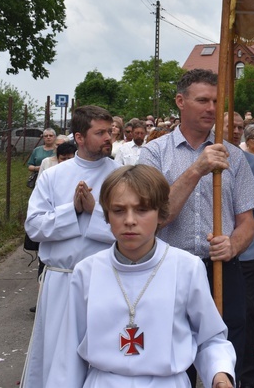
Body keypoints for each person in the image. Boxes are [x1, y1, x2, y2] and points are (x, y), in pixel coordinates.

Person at [46, 165, 236, 388]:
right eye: (118, 210)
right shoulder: (87, 271)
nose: (129, 220)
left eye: (142, 210)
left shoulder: (186, 267)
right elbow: (68, 352)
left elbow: (210, 338)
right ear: (106, 215)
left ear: (160, 213)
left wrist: (220, 375)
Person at [138, 69, 254, 387]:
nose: (211, 108)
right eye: (202, 100)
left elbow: (248, 222)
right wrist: (198, 168)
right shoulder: (154, 153)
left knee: (226, 354)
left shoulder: (233, 155)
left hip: (220, 270)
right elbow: (155, 217)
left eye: (216, 102)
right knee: (171, 356)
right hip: (169, 271)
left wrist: (233, 245)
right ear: (180, 102)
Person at [21, 105, 119, 387]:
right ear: (79, 137)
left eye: (109, 131)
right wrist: (73, 211)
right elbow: (34, 227)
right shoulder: (53, 176)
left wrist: (95, 210)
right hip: (61, 280)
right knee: (57, 356)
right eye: (99, 133)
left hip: (106, 280)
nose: (107, 138)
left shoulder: (121, 175)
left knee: (102, 354)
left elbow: (131, 231)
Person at [226, 114, 254, 388]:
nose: (235, 131)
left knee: (247, 314)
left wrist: (242, 178)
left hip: (247, 252)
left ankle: (247, 376)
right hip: (216, 249)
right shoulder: (208, 160)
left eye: (239, 127)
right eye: (229, 126)